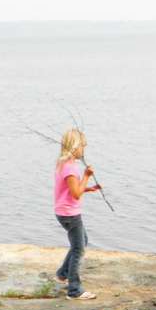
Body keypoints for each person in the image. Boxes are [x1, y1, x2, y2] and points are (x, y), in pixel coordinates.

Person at [53, 128, 102, 300]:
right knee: (79, 249)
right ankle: (74, 290)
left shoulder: (63, 164)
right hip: (70, 214)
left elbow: (71, 190)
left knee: (82, 242)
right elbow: (75, 194)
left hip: (64, 212)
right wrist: (86, 176)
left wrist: (87, 188)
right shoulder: (70, 169)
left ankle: (62, 274)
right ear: (74, 146)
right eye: (82, 146)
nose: (83, 150)